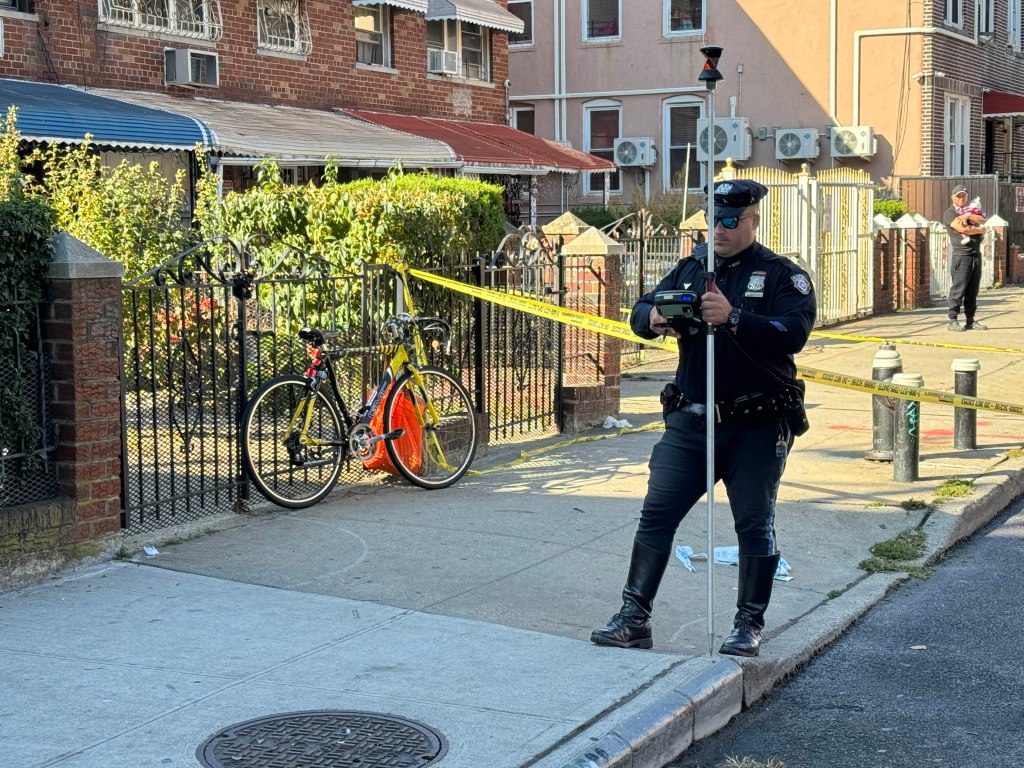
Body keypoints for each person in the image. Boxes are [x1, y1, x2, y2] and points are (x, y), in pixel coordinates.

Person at [591, 179, 816, 657]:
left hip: (753, 423)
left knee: (754, 523)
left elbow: (793, 332)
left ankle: (747, 625)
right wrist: (652, 319)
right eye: (713, 218)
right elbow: (640, 308)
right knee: (656, 515)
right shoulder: (694, 266)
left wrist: (735, 318)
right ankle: (634, 618)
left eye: (731, 221)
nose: (719, 228)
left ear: (753, 220)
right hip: (690, 423)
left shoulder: (780, 275)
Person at [943, 185, 988, 332]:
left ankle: (970, 320)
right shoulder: (950, 213)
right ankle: (953, 320)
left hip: (975, 255)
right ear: (953, 197)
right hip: (962, 256)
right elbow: (962, 229)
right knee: (958, 290)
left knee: (972, 291)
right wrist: (980, 230)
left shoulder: (969, 211)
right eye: (959, 196)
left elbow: (982, 220)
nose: (961, 198)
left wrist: (968, 216)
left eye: (964, 196)